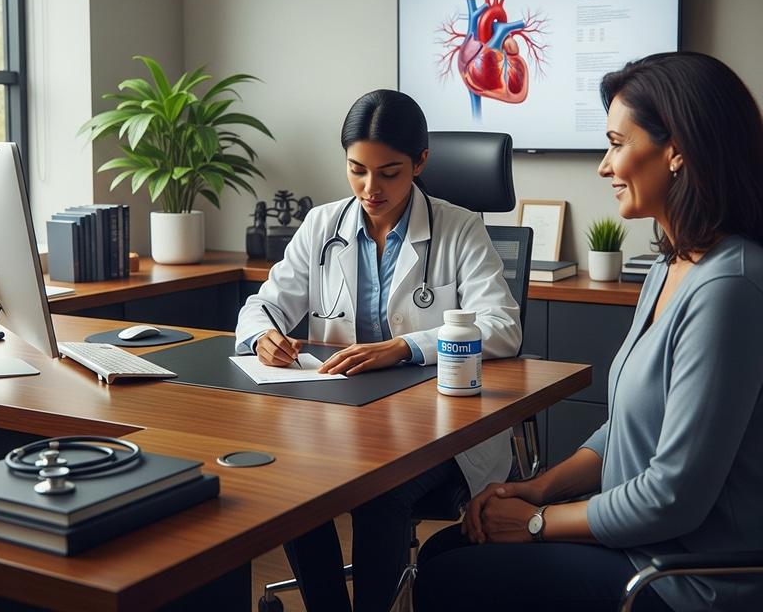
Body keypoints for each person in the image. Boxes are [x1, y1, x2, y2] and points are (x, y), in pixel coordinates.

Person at [411, 51, 763, 612]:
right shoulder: (669, 266)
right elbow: (625, 430)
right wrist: (536, 487)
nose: (604, 166)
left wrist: (535, 522)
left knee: (448, 579)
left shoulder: (730, 289)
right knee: (443, 551)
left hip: (684, 579)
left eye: (616, 143)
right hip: (638, 546)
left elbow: (671, 498)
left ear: (677, 150)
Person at [235, 89, 522, 612]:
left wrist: (405, 347)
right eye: (357, 170)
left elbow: (502, 326)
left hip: (438, 427)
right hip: (343, 422)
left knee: (378, 494)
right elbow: (263, 304)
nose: (371, 188)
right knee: (293, 487)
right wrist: (263, 336)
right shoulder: (323, 226)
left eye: (389, 173)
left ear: (420, 162)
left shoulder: (460, 228)